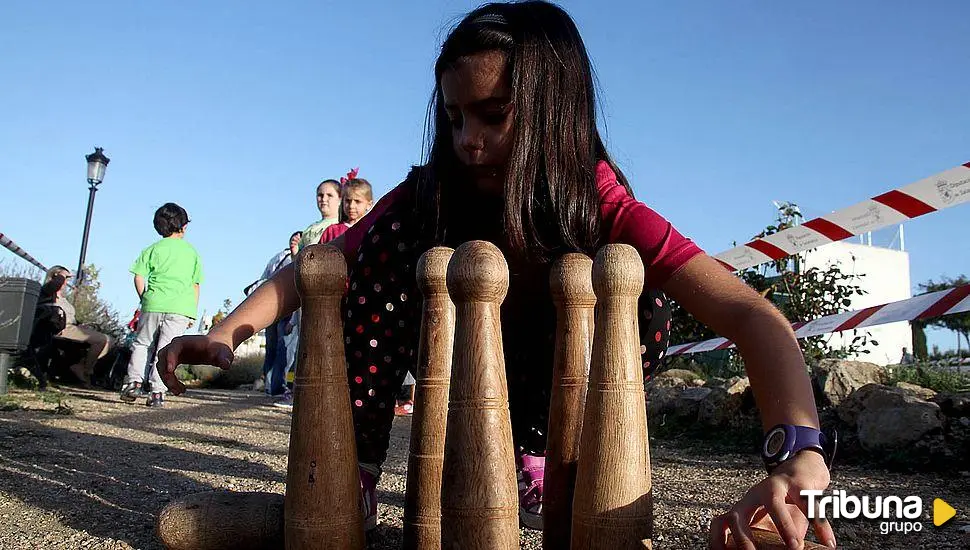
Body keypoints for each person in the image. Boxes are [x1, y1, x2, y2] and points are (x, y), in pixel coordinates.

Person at [156, 3, 835, 547]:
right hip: (465, 359)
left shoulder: (600, 201)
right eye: (453, 117)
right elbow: (322, 269)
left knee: (632, 287)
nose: (466, 140)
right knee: (384, 252)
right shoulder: (433, 192)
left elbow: (752, 317)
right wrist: (226, 332)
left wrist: (797, 459)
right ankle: (350, 482)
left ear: (555, 114)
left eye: (492, 116)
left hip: (565, 369)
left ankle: (540, 463)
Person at [120, 203, 204, 408]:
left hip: (153, 303)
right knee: (166, 350)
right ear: (183, 226)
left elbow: (139, 276)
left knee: (142, 343)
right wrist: (192, 311)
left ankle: (133, 381)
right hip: (180, 307)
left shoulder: (152, 249)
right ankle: (157, 392)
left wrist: (144, 298)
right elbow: (195, 284)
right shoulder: (191, 252)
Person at [245, 231, 302, 396]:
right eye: (294, 238)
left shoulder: (281, 257)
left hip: (277, 309)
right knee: (281, 349)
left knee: (278, 349)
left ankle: (273, 385)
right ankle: (275, 386)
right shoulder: (285, 257)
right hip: (281, 309)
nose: (295, 240)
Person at [37, 265, 113, 386]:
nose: (66, 281)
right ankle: (85, 371)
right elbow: (53, 288)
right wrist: (60, 276)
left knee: (110, 341)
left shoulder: (63, 297)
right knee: (101, 340)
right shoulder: (48, 292)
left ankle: (82, 365)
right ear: (55, 277)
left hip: (72, 327)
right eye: (65, 278)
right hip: (59, 328)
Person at [318, 176, 374, 243]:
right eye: (348, 201)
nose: (351, 206)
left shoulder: (371, 229)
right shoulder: (331, 231)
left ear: (369, 204)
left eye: (357, 201)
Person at [297, 179, 341, 250]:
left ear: (340, 199)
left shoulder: (341, 225)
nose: (324, 199)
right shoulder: (309, 229)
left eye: (329, 195)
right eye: (320, 195)